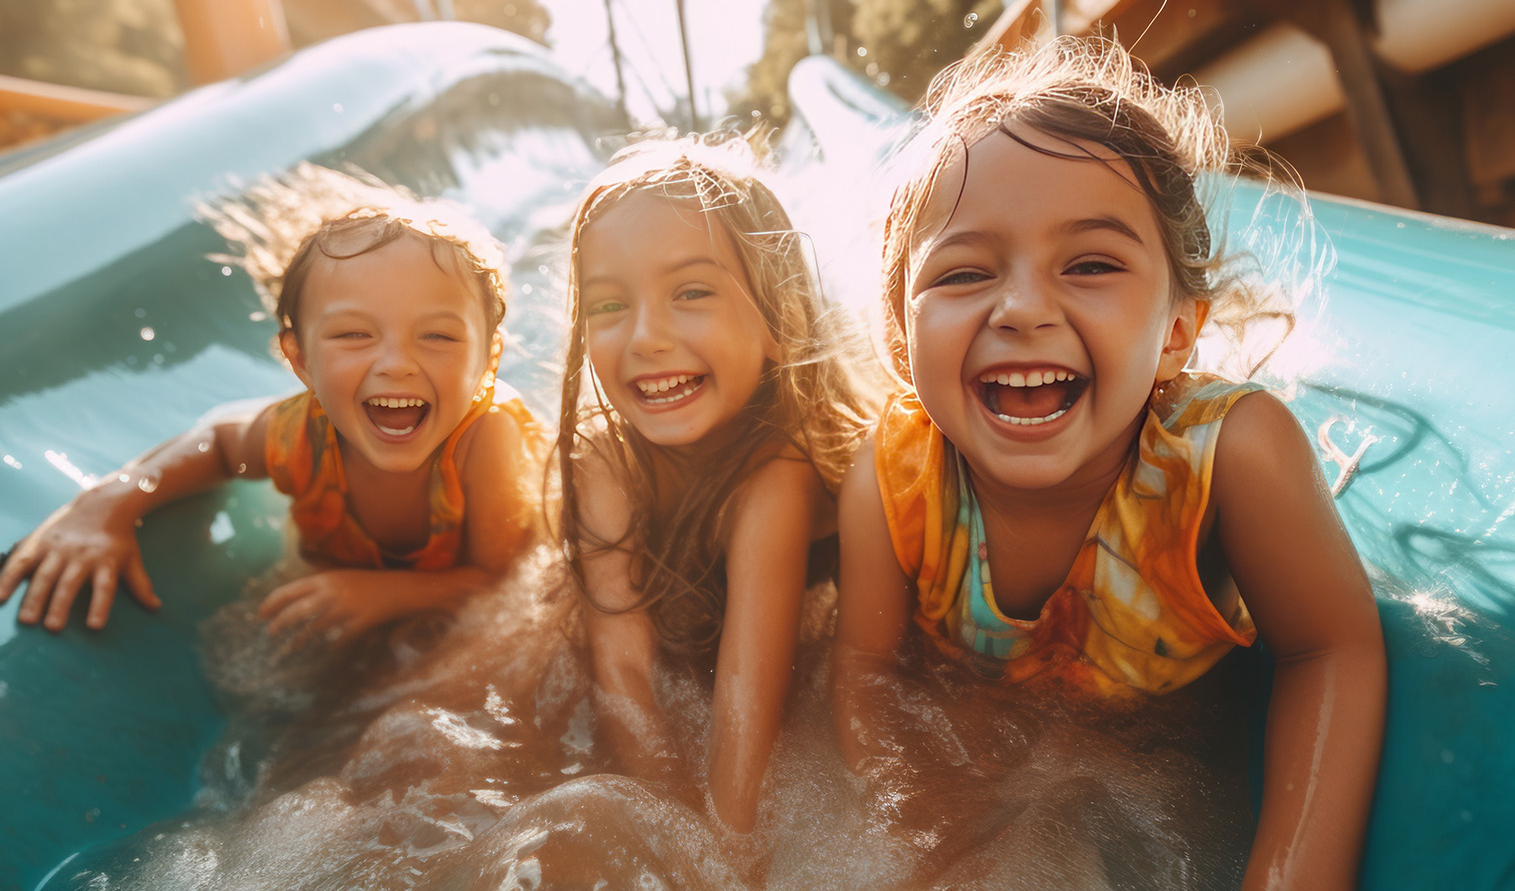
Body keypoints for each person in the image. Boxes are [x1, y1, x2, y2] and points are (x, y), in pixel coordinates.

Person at [831, 36, 1387, 891]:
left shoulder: (1231, 458)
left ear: (1177, 331)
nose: (1021, 307)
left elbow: (1330, 649)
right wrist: (914, 814)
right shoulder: (891, 483)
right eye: (963, 274)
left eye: (1090, 265)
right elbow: (864, 676)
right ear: (900, 333)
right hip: (1003, 760)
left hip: (1169, 762)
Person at [0, 170, 545, 642]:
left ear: (488, 361)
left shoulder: (485, 439)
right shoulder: (300, 433)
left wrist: (389, 593)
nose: (396, 364)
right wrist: (109, 504)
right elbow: (218, 443)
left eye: (439, 338)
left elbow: (504, 578)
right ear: (300, 359)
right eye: (355, 334)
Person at [557, 134, 873, 834]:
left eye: (691, 292)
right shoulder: (606, 462)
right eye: (609, 305)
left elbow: (744, 712)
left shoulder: (778, 475)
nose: (646, 336)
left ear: (777, 324)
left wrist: (721, 856)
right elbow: (623, 667)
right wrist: (664, 820)